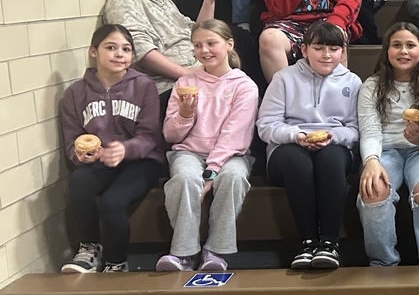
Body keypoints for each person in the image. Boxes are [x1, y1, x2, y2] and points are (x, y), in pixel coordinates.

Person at [59, 25, 163, 273]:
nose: (119, 54)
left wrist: (125, 149)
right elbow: (72, 139)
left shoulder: (144, 86)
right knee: (79, 181)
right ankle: (89, 248)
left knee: (111, 202)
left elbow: (150, 136)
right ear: (93, 51)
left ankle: (116, 263)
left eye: (126, 49)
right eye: (111, 47)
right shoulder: (75, 93)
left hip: (141, 161)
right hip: (100, 161)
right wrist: (81, 155)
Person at [257, 21, 361, 270]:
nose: (327, 55)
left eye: (334, 49)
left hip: (333, 144)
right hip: (288, 147)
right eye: (319, 48)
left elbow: (356, 129)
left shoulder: (353, 81)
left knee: (331, 160)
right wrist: (296, 136)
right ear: (304, 50)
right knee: (298, 162)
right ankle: (307, 243)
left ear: (342, 52)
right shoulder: (284, 78)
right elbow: (266, 125)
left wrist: (332, 137)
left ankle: (329, 243)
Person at [159, 20, 258, 272]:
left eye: (211, 43)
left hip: (231, 154)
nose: (204, 50)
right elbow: (170, 135)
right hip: (189, 151)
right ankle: (184, 253)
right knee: (183, 178)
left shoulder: (244, 85)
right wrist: (184, 115)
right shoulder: (184, 83)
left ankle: (215, 251)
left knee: (233, 177)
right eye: (197, 45)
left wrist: (211, 173)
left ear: (229, 44)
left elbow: (234, 135)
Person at [357, 23, 419, 267]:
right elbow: (371, 130)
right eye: (396, 45)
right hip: (386, 151)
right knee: (373, 190)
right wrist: (372, 161)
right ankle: (383, 264)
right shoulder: (372, 86)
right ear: (387, 51)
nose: (403, 51)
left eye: (410, 45)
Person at [102, 0, 228, 108]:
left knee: (245, 91)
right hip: (167, 87)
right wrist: (186, 75)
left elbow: (198, 33)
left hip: (198, 73)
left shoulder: (162, 1)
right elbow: (138, 48)